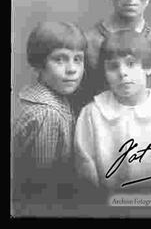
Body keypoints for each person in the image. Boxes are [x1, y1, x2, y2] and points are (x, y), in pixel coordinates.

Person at [74, 30, 151, 198]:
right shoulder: (92, 112)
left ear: (148, 67)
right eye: (113, 66)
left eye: (130, 64)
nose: (122, 73)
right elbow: (85, 166)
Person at [12, 21, 87, 211]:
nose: (72, 69)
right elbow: (42, 187)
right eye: (60, 59)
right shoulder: (49, 114)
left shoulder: (31, 94)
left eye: (78, 59)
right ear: (38, 64)